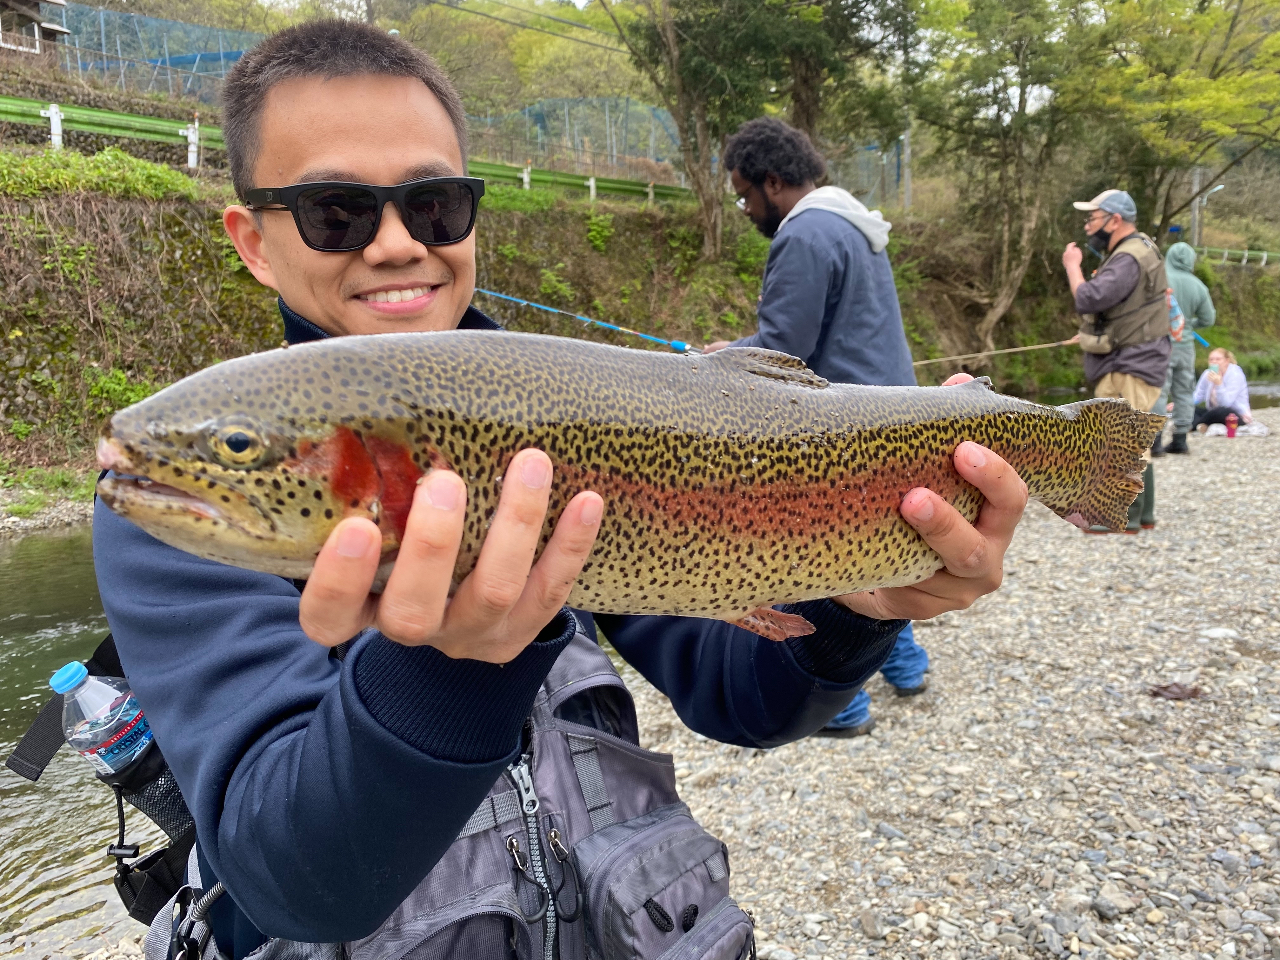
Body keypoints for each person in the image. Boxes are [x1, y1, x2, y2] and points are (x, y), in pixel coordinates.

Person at [92, 24, 1030, 958]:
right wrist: (453, 664)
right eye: (335, 211)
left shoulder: (577, 418)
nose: (393, 244)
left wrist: (858, 603)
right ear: (254, 241)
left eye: (435, 206)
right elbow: (299, 884)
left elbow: (746, 701)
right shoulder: (177, 521)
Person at [706, 117, 925, 736]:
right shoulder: (852, 224)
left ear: (774, 181)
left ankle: (847, 706)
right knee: (877, 556)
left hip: (840, 435)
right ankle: (907, 670)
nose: (747, 209)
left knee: (816, 560)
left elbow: (784, 349)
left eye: (747, 194)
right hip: (893, 419)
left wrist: (726, 357)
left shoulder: (803, 235)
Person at [1062, 189, 1170, 533]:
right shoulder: (1142, 247)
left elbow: (1091, 298)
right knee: (1131, 436)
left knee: (1122, 440)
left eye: (1092, 217)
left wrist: (1072, 267)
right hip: (1137, 358)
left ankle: (1125, 517)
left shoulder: (1127, 257)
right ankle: (1144, 516)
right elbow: (1129, 309)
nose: (1088, 224)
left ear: (1115, 219)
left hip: (1130, 364)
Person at [1153, 242, 1215, 455]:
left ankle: (1156, 441)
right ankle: (1180, 439)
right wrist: (1188, 324)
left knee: (1159, 391)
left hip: (1160, 343)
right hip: (1186, 345)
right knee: (1184, 391)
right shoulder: (1198, 286)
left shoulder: (1160, 279)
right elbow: (1209, 318)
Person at [1193, 347, 1254, 429]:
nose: (1214, 362)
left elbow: (1226, 403)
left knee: (1221, 411)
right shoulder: (1207, 373)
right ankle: (1201, 425)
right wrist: (1183, 403)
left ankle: (1195, 425)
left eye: (1218, 359)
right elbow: (1198, 395)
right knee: (1190, 409)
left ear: (1226, 361)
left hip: (1235, 415)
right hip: (1212, 413)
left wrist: (1219, 384)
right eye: (1211, 360)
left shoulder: (1235, 374)